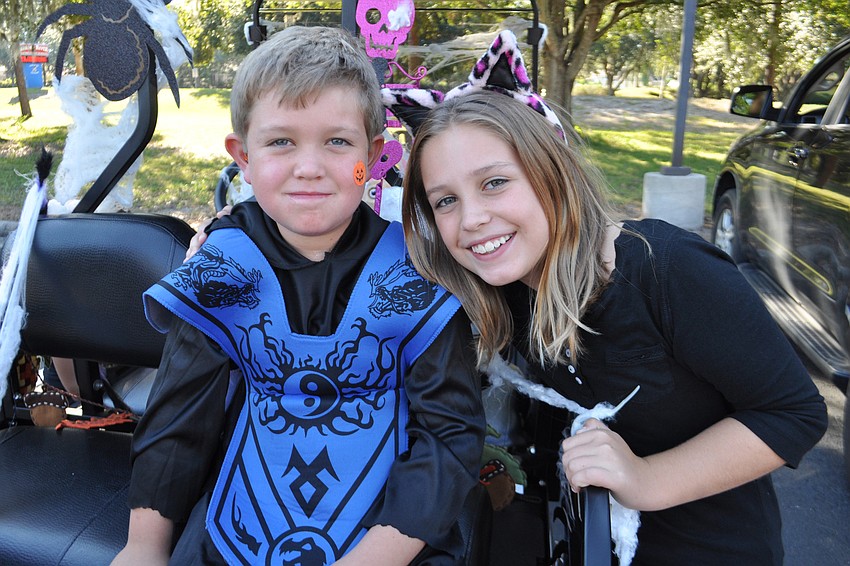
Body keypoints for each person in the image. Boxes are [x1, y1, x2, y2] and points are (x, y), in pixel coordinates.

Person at [388, 30, 828, 565]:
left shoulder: (667, 270)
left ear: (554, 173)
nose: (472, 218)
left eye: (495, 183)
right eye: (445, 200)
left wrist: (646, 479)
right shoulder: (506, 291)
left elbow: (793, 412)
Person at [112, 26, 485, 566]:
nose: (308, 167)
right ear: (242, 156)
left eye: (337, 141)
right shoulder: (224, 266)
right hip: (238, 517)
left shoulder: (416, 270)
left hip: (392, 527)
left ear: (373, 156)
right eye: (280, 141)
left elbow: (449, 436)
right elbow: (178, 417)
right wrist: (143, 546)